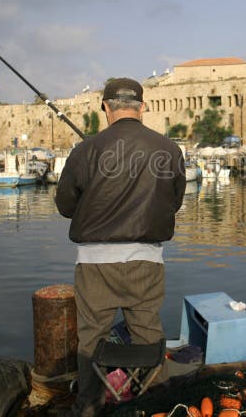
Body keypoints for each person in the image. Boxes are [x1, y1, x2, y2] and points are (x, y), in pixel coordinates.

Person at [55, 77, 186, 416]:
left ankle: (89, 406)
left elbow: (66, 206)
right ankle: (151, 401)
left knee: (92, 338)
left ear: (105, 108)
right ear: (142, 107)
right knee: (146, 332)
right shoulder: (169, 150)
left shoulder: (85, 150)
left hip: (94, 263)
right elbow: (173, 202)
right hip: (146, 260)